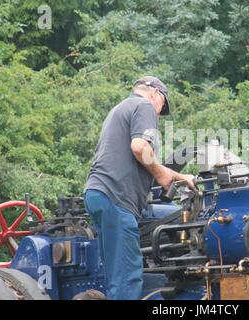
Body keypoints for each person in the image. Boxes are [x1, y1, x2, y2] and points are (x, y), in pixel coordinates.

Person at [83, 76, 195, 300]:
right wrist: (162, 173)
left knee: (116, 274)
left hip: (98, 194)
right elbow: (139, 146)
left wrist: (175, 175)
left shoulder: (120, 108)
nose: (159, 115)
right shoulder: (144, 106)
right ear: (156, 94)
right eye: (162, 107)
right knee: (127, 276)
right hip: (116, 197)